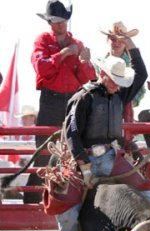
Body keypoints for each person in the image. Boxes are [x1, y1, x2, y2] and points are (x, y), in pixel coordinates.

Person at [56, 35, 150, 231]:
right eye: (115, 81)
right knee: (66, 213)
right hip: (85, 159)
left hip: (113, 158)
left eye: (121, 82)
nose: (118, 86)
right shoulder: (84, 97)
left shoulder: (119, 93)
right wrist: (83, 164)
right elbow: (71, 132)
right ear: (103, 74)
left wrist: (129, 43)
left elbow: (142, 72)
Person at [24, 0, 96, 204]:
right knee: (45, 154)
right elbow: (42, 68)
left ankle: (62, 202)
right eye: (55, 21)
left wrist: (85, 61)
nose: (60, 24)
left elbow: (88, 78)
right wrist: (64, 53)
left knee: (73, 153)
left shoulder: (75, 44)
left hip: (72, 101)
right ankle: (33, 202)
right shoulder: (42, 41)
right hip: (51, 101)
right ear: (49, 22)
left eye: (62, 20)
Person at [99, 21, 146, 122]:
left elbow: (140, 90)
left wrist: (125, 100)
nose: (116, 43)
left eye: (120, 40)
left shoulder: (131, 64)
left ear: (125, 42)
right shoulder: (100, 62)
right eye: (113, 39)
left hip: (122, 110)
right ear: (108, 40)